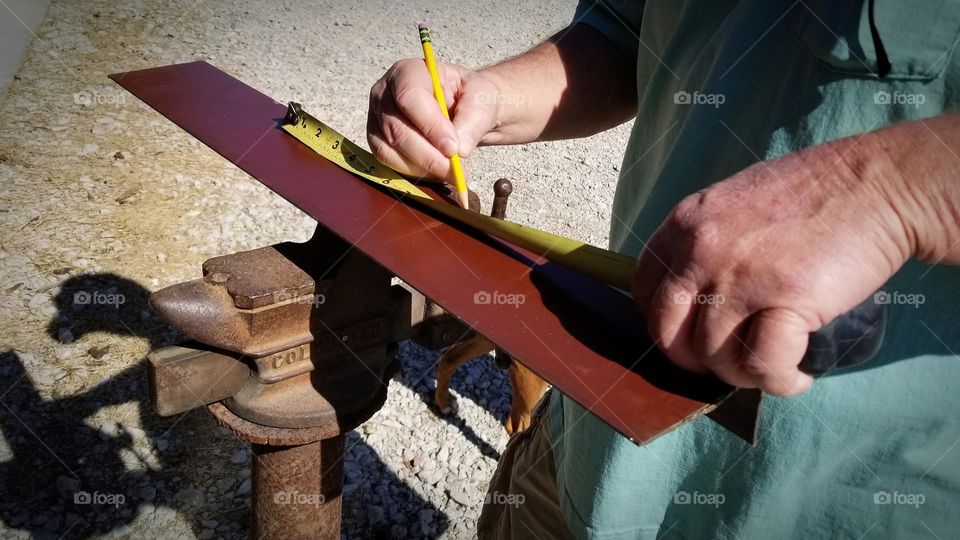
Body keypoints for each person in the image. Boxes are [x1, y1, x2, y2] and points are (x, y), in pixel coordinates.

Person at [367, 1, 960, 537]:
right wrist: (487, 99)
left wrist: (893, 192)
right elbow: (626, 33)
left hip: (834, 503)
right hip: (587, 443)